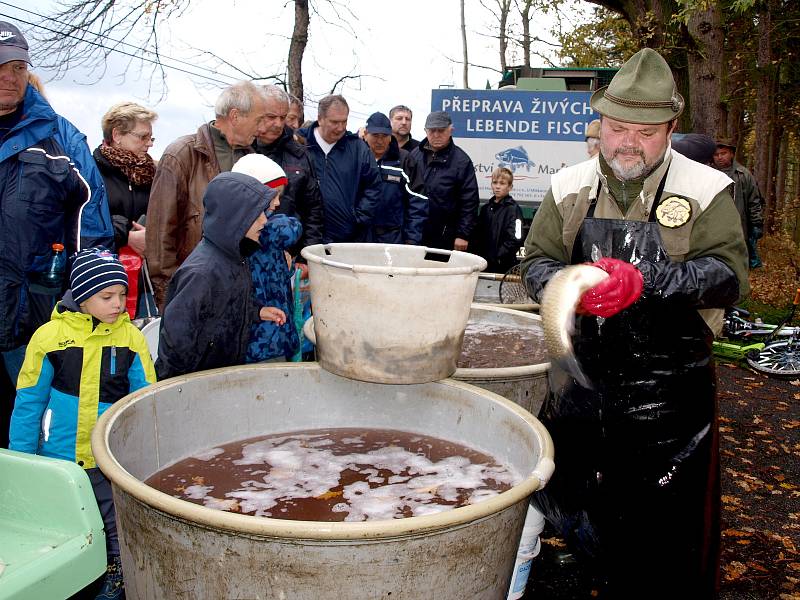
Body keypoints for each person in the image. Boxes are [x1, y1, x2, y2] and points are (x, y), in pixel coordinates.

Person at [521, 48, 749, 597]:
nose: (629, 142)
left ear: (671, 128)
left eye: (646, 132)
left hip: (669, 394)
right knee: (575, 511)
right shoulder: (568, 186)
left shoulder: (706, 189)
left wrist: (652, 282)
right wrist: (571, 282)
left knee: (668, 534)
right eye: (618, 127)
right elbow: (532, 264)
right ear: (598, 124)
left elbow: (729, 276)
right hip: (580, 382)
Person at [9, 247, 156, 599]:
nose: (118, 304)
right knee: (67, 530)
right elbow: (29, 403)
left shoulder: (131, 339)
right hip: (57, 460)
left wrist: (141, 457)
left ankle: (115, 583)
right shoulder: (48, 338)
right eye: (106, 296)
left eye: (121, 294)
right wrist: (24, 463)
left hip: (107, 463)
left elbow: (146, 404)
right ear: (82, 297)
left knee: (116, 529)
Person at [0, 21, 113, 448]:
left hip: (36, 311)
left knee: (37, 421)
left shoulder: (60, 137)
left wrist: (90, 291)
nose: (8, 77)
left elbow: (93, 220)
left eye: (16, 66)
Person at [145, 81, 269, 308]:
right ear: (235, 116)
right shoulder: (181, 155)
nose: (262, 128)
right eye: (258, 119)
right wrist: (170, 301)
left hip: (238, 290)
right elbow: (160, 237)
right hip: (193, 290)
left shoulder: (253, 160)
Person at [155, 172, 283, 380]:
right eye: (256, 215)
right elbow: (175, 342)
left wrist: (255, 312)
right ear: (235, 218)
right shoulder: (201, 274)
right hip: (195, 381)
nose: (263, 222)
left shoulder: (237, 257)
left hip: (221, 374)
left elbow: (223, 307)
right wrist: (173, 388)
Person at [232, 154, 303, 362]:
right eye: (273, 196)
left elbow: (275, 271)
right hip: (260, 337)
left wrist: (287, 263)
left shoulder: (262, 230)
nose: (278, 203)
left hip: (277, 329)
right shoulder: (257, 229)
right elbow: (290, 229)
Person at [93, 102, 159, 317]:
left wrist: (154, 236)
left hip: (146, 282)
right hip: (102, 280)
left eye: (151, 138)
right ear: (117, 134)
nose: (149, 144)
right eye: (143, 137)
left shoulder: (155, 173)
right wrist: (127, 236)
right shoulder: (92, 170)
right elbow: (87, 220)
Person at [299, 95, 382, 243]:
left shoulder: (358, 148)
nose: (341, 128)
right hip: (306, 237)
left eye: (344, 121)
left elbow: (373, 185)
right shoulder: (301, 145)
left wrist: (358, 218)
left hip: (346, 239)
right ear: (320, 119)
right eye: (335, 122)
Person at [253, 85, 324, 251]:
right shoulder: (239, 149)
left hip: (288, 254)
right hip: (244, 256)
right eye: (271, 117)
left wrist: (306, 256)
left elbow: (314, 210)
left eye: (283, 117)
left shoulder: (300, 154)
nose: (278, 124)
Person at [410, 111, 479, 251]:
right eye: (432, 130)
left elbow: (469, 201)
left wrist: (462, 234)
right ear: (425, 131)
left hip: (445, 236)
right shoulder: (414, 156)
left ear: (450, 130)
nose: (436, 135)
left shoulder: (462, 161)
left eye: (441, 130)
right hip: (414, 233)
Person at [362, 112, 427, 244]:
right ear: (365, 135)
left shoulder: (404, 160)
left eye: (385, 136)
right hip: (359, 236)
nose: (380, 141)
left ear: (391, 137)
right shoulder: (356, 158)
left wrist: (412, 239)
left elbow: (418, 202)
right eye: (375, 135)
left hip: (393, 238)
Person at [714, 138, 764, 269]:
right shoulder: (708, 173)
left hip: (738, 226)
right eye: (716, 154)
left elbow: (754, 201)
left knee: (739, 261)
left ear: (731, 153)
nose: (719, 157)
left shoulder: (743, 174)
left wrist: (756, 224)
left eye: (723, 153)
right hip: (714, 225)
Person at [470, 167, 523, 274]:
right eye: (495, 182)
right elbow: (478, 236)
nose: (497, 186)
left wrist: (497, 256)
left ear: (510, 187)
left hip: (503, 265)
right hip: (484, 264)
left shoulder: (514, 209)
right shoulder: (485, 209)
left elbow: (516, 238)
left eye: (502, 183)